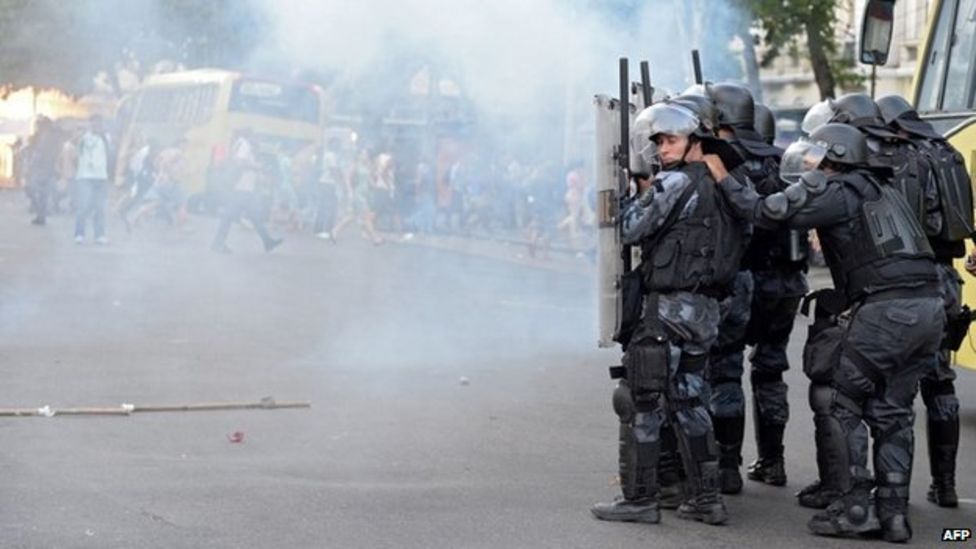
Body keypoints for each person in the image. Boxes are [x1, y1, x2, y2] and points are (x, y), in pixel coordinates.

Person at [715, 123, 944, 543]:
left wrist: (720, 173)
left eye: (814, 159)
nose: (807, 165)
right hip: (929, 307)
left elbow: (769, 212)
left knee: (841, 401)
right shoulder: (881, 188)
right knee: (894, 412)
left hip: (886, 308)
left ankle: (856, 508)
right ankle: (893, 515)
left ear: (833, 159)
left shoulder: (841, 191)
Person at [591, 100, 747, 526]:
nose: (661, 148)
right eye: (657, 140)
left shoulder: (675, 183)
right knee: (691, 402)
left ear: (693, 140)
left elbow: (630, 229)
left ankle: (640, 500)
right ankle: (707, 499)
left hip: (668, 312)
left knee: (641, 400)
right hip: (705, 310)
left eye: (670, 139)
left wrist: (629, 196)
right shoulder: (725, 183)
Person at [707, 83, 807, 493]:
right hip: (787, 283)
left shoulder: (725, 160)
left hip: (742, 280)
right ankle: (773, 460)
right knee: (770, 371)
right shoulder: (784, 159)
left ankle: (727, 468)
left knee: (726, 369)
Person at [877, 94, 974, 509]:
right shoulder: (949, 153)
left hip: (910, 279)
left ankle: (892, 495)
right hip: (947, 279)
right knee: (940, 383)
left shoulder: (902, 158)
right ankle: (946, 485)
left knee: (895, 389)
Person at [211, 129, 282, 253]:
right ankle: (218, 243)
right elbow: (239, 161)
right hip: (241, 188)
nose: (259, 141)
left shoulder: (241, 144)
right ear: (251, 136)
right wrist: (256, 166)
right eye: (258, 138)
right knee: (229, 216)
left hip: (244, 189)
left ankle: (267, 241)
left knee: (252, 216)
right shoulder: (244, 144)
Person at [74, 115, 113, 245]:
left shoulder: (106, 138)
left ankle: (99, 234)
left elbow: (110, 155)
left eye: (99, 123)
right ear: (90, 124)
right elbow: (76, 150)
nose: (97, 126)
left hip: (101, 176)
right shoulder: (83, 137)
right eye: (94, 123)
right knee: (83, 206)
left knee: (100, 207)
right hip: (85, 176)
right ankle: (79, 233)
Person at [26, 116, 62, 225]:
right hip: (43, 168)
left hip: (44, 169)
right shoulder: (42, 136)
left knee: (36, 190)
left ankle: (42, 213)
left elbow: (43, 153)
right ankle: (41, 214)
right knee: (40, 192)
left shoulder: (48, 137)